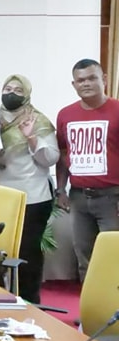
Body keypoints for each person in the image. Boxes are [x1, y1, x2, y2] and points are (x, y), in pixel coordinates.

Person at [0, 74, 58, 304]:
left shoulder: (37, 120)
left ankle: (30, 303)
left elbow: (51, 158)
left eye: (18, 90)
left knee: (27, 253)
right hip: (0, 197)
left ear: (27, 94)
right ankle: (0, 299)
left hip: (32, 197)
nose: (11, 93)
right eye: (8, 88)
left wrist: (31, 138)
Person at [55, 58, 119, 282]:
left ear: (104, 79)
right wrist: (60, 190)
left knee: (113, 257)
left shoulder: (117, 110)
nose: (86, 83)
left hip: (112, 198)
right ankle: (90, 303)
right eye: (81, 80)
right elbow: (63, 154)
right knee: (85, 257)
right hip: (79, 198)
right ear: (74, 84)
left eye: (92, 78)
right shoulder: (65, 114)